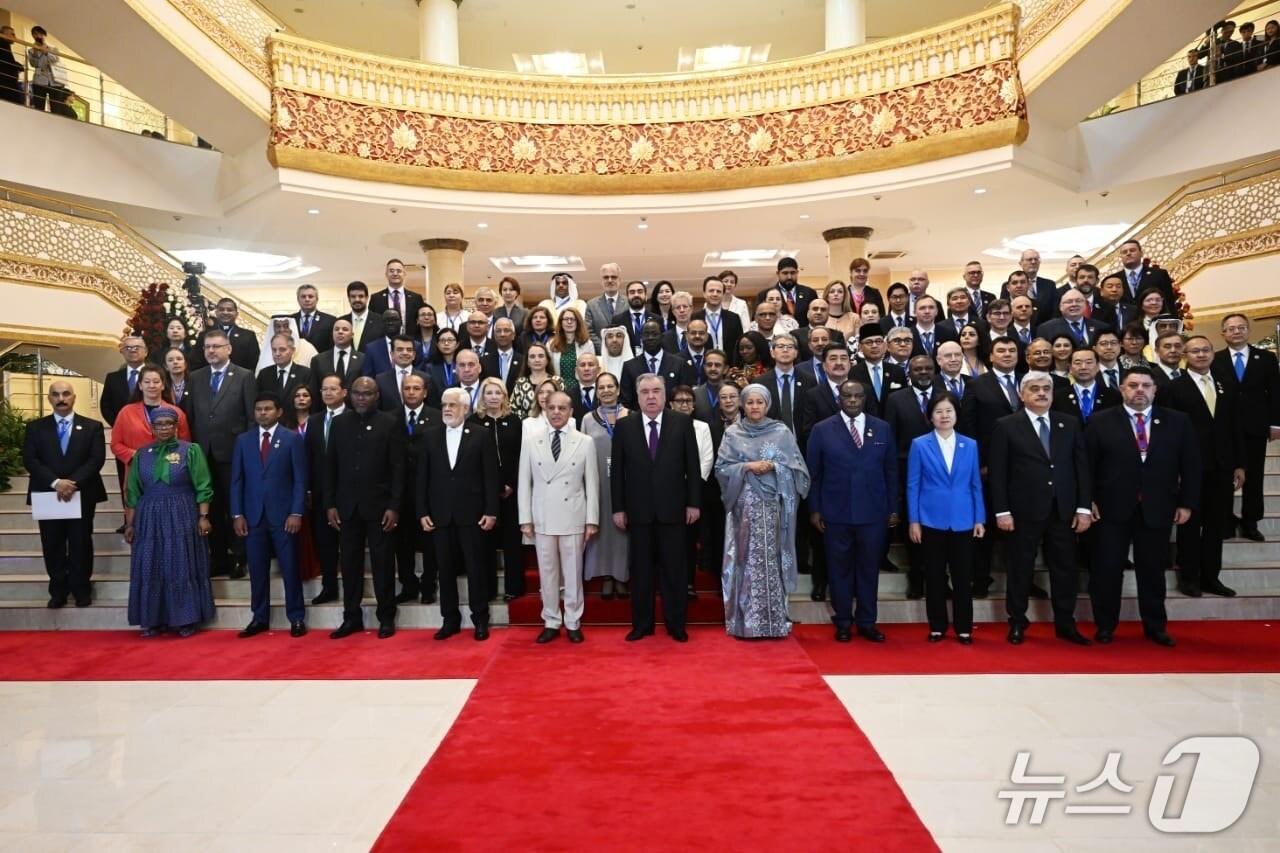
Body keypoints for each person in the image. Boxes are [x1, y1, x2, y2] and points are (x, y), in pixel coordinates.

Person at [1086, 366, 1199, 646]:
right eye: (1133, 385)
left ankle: (1155, 626)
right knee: (1107, 570)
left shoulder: (1178, 421)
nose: (1139, 390)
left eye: (1145, 385)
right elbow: (1086, 466)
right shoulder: (1100, 421)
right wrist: (1087, 501)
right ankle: (1105, 626)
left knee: (1153, 571)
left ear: (1155, 389)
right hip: (1112, 509)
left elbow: (1191, 466)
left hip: (1158, 507)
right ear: (1122, 389)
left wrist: (1186, 503)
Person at [988, 372, 1093, 646]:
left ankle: (1065, 624)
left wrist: (1083, 507)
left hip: (1063, 510)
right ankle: (1017, 622)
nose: (1042, 393)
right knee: (1021, 568)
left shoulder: (1068, 423)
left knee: (1065, 569)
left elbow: (1082, 467)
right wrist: (1001, 511)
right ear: (1022, 394)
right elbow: (998, 473)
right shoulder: (1007, 425)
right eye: (1034, 389)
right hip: (1023, 511)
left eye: (1046, 388)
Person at [611, 374, 703, 642]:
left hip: (673, 511)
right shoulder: (625, 426)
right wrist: (618, 508)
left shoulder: (682, 423)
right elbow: (617, 472)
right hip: (638, 513)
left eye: (656, 391)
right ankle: (642, 625)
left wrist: (693, 503)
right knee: (640, 572)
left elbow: (692, 468)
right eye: (645, 392)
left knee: (674, 571)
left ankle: (676, 625)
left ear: (665, 395)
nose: (651, 396)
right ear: (637, 396)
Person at [716, 384, 811, 639]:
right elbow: (722, 468)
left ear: (767, 404)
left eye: (759, 402)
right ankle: (746, 623)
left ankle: (775, 622)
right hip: (744, 510)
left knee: (773, 561)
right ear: (742, 405)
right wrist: (748, 465)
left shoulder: (780, 432)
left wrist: (776, 469)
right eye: (749, 402)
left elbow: (799, 470)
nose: (754, 407)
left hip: (775, 510)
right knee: (746, 562)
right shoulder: (733, 433)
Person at [808, 381, 897, 642]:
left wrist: (893, 508)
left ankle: (868, 622)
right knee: (839, 571)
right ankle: (844, 621)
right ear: (839, 398)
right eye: (847, 395)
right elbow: (814, 474)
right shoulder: (822, 430)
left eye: (858, 395)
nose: (853, 400)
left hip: (874, 514)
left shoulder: (882, 428)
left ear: (865, 398)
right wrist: (815, 510)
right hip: (835, 514)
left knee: (869, 569)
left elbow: (891, 472)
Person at [1161, 335, 1244, 599]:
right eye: (1194, 351)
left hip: (1221, 467)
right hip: (1188, 468)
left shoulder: (1226, 384)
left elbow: (1235, 427)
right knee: (1189, 524)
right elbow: (1167, 434)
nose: (1201, 355)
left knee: (1216, 525)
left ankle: (1211, 577)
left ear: (1212, 353)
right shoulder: (1175, 388)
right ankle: (1189, 577)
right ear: (1185, 355)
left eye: (1205, 350)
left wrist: (1239, 465)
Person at [123, 406, 215, 638]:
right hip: (149, 518)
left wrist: (203, 517)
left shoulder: (190, 451)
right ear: (152, 428)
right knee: (151, 566)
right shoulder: (141, 454)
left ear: (176, 426)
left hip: (181, 514)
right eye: (159, 424)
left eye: (168, 424)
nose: (163, 428)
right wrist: (130, 524)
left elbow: (203, 485)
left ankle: (185, 619)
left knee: (180, 564)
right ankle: (153, 619)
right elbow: (133, 492)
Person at [325, 377, 406, 639]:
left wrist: (394, 505)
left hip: (380, 507)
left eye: (367, 394)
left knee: (383, 564)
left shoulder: (390, 423)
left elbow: (398, 468)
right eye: (357, 393)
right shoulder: (338, 423)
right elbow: (330, 467)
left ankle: (386, 617)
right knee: (349, 564)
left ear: (376, 396)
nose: (361, 398)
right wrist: (330, 504)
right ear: (350, 395)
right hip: (347, 507)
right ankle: (352, 617)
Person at [419, 388, 500, 641]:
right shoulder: (429, 436)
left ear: (465, 408)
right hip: (440, 515)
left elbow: (491, 476)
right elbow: (421, 478)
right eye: (444, 404)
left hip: (472, 514)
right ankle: (450, 619)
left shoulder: (481, 435)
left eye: (453, 405)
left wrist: (491, 511)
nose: (447, 409)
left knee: (476, 568)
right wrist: (422, 511)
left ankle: (480, 619)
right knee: (444, 569)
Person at [517, 391, 599, 643]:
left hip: (573, 515)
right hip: (542, 517)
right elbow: (524, 482)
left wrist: (591, 519)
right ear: (544, 410)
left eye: (561, 408)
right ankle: (551, 620)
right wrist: (525, 518)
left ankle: (573, 621)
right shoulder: (532, 440)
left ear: (570, 412)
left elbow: (592, 484)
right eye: (551, 407)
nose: (556, 412)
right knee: (548, 572)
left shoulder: (584, 442)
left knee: (573, 573)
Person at [906, 392, 983, 644]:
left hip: (964, 518)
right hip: (931, 519)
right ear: (930, 416)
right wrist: (914, 520)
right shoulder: (919, 444)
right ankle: (937, 626)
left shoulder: (969, 444)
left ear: (956, 415)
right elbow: (913, 485)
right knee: (935, 575)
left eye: (949, 411)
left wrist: (979, 518)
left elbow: (975, 484)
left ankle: (964, 628)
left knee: (963, 576)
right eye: (938, 411)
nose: (944, 416)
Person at [22, 381, 108, 609]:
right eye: (56, 394)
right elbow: (30, 460)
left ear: (74, 397)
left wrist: (72, 483)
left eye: (66, 394)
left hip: (82, 494)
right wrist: (56, 482)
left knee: (81, 543)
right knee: (53, 544)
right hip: (47, 494)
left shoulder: (92, 426)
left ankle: (81, 589)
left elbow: (96, 460)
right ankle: (58, 590)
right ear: (49, 398)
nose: (61, 398)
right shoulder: (35, 428)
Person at [230, 392, 308, 638]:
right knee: (257, 569)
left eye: (267, 409)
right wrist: (237, 514)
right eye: (259, 409)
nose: (262, 413)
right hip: (253, 516)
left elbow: (299, 479)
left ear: (279, 412)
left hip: (284, 516)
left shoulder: (292, 439)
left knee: (289, 568)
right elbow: (237, 481)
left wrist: (296, 511)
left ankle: (296, 617)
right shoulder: (243, 440)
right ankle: (259, 617)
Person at [187, 329, 255, 579]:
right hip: (203, 455)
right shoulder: (195, 377)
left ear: (229, 349)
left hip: (234, 453)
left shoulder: (245, 376)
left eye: (216, 346)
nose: (211, 351)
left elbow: (251, 418)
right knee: (211, 508)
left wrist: (249, 453)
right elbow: (191, 416)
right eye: (207, 347)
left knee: (235, 506)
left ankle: (239, 557)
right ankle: (218, 558)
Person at [1212, 313, 1280, 543]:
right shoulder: (1214, 359)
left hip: (1255, 426)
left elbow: (1275, 393)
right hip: (1224, 427)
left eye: (1241, 327)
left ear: (1248, 330)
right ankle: (1226, 521)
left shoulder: (1266, 358)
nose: (1236, 331)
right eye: (1231, 328)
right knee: (1223, 476)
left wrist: (1275, 423)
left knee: (1254, 475)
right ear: (1223, 333)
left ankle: (1251, 521)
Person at [883, 355, 943, 599]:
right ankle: (917, 578)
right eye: (918, 369)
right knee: (914, 529)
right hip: (909, 474)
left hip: (941, 475)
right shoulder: (896, 399)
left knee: (939, 530)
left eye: (928, 368)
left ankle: (940, 580)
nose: (924, 372)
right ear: (909, 372)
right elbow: (891, 439)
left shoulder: (945, 396)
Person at [390, 373, 441, 604]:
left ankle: (429, 585)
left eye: (416, 388)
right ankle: (408, 584)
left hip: (430, 490)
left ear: (425, 392)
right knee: (402, 543)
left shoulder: (437, 417)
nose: (411, 392)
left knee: (429, 542)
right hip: (400, 492)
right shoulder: (391, 418)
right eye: (407, 388)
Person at [472, 377, 524, 601]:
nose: (493, 397)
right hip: (484, 493)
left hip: (512, 490)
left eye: (498, 392)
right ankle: (488, 589)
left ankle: (514, 588)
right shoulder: (474, 422)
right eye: (489, 393)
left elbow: (521, 455)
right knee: (485, 543)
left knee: (513, 542)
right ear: (482, 396)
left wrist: (511, 484)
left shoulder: (514, 421)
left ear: (505, 396)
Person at [582, 372, 630, 599]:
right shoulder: (588, 419)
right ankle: (606, 576)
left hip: (627, 481)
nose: (606, 391)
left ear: (618, 389)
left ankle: (622, 575)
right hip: (598, 480)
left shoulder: (631, 416)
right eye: (601, 387)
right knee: (602, 528)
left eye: (611, 386)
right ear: (597, 391)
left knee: (623, 530)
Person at [110, 365, 193, 490]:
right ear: (140, 385)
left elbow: (186, 445)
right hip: (137, 473)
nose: (152, 386)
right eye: (147, 382)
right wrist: (135, 455)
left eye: (156, 382)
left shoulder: (177, 412)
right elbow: (115, 445)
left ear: (163, 385)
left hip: (171, 473)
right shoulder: (126, 412)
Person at [670, 386, 716, 599]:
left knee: (689, 540)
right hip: (667, 492)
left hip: (693, 492)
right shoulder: (664, 426)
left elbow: (706, 460)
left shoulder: (702, 427)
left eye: (688, 400)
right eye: (679, 400)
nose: (684, 404)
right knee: (668, 540)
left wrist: (692, 487)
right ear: (671, 404)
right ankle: (669, 582)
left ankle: (688, 582)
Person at [306, 374, 346, 605]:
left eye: (333, 389)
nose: (328, 393)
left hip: (349, 492)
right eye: (324, 389)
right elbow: (309, 457)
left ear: (344, 392)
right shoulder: (315, 420)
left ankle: (352, 587)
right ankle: (329, 586)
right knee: (325, 543)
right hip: (321, 492)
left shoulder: (353, 417)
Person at [281, 383, 321, 583]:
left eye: (306, 395)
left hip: (315, 477)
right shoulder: (285, 424)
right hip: (290, 480)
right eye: (297, 395)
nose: (301, 398)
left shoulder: (318, 421)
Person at [619, 318, 695, 408]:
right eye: (646, 334)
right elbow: (626, 402)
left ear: (662, 336)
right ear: (641, 337)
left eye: (654, 334)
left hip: (672, 418)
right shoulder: (629, 366)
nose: (650, 338)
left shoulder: (679, 364)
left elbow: (684, 396)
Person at [309, 319, 365, 406]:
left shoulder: (363, 359)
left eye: (345, 329)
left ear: (352, 335)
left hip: (354, 410)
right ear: (332, 333)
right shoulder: (318, 360)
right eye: (337, 329)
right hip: (326, 411)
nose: (340, 332)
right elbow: (315, 391)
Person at [198, 298, 260, 370]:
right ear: (216, 313)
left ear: (236, 314)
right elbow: (197, 362)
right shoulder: (204, 335)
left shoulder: (248, 336)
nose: (225, 312)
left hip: (240, 379)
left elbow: (253, 363)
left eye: (229, 310)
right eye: (221, 309)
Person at [26, 26, 73, 118]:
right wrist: (36, 52)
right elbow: (34, 64)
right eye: (35, 34)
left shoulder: (53, 49)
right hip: (39, 81)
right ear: (33, 36)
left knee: (56, 109)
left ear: (44, 35)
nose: (38, 36)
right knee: (39, 107)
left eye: (40, 33)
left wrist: (46, 51)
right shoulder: (31, 50)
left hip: (55, 81)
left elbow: (55, 59)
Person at [375, 335, 430, 412]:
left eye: (409, 350)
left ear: (414, 355)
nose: (405, 353)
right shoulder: (381, 379)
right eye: (400, 349)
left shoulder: (425, 378)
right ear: (392, 354)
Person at [755, 257, 817, 323]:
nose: (789, 277)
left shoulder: (809, 293)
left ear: (797, 272)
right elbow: (757, 319)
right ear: (778, 273)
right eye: (785, 273)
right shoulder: (764, 294)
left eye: (792, 273)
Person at [548, 307, 594, 398]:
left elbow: (592, 369)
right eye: (566, 319)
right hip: (558, 390)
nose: (569, 322)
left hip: (581, 390)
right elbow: (548, 370)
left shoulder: (587, 344)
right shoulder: (551, 344)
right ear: (561, 322)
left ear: (578, 322)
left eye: (573, 319)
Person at [369, 259, 423, 334]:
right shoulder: (376, 298)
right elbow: (372, 323)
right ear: (386, 274)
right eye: (391, 271)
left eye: (399, 271)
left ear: (404, 274)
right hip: (384, 341)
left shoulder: (416, 298)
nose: (395, 273)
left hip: (410, 342)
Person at [256, 332, 313, 402]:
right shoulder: (264, 374)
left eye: (282, 349)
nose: (277, 354)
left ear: (292, 350)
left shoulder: (305, 374)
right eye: (274, 350)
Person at [694, 275, 743, 357]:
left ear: (723, 295)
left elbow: (739, 345)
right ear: (704, 294)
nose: (715, 294)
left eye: (718, 291)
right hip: (702, 365)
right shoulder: (695, 318)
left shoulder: (734, 318)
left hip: (729, 367)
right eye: (711, 291)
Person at [611, 280, 658, 356]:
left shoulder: (657, 319)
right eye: (632, 292)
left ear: (646, 296)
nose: (636, 295)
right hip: (626, 362)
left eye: (640, 292)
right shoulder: (617, 320)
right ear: (627, 297)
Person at [584, 264, 622, 352]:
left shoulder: (628, 303)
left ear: (619, 280)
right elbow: (588, 331)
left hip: (625, 354)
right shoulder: (591, 304)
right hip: (600, 354)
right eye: (606, 277)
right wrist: (604, 348)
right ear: (601, 281)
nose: (610, 280)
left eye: (614, 277)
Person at [481, 318, 523, 393]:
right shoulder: (484, 361)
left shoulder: (523, 361)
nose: (502, 334)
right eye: (498, 331)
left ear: (513, 335)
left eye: (506, 330)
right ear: (494, 335)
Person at [341, 281, 385, 352]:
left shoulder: (380, 321)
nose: (357, 299)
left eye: (361, 296)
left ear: (367, 298)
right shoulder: (341, 321)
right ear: (349, 299)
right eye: (353, 297)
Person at [292, 283, 336, 353]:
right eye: (303, 296)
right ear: (298, 299)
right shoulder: (290, 320)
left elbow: (333, 347)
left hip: (321, 362)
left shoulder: (330, 320)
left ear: (317, 299)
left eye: (310, 296)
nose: (307, 299)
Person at [425, 327, 461, 407]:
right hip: (437, 408)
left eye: (450, 340)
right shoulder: (430, 367)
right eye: (442, 340)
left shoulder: (463, 365)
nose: (446, 343)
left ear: (457, 344)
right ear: (437, 344)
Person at [493, 276, 528, 343]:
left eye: (511, 290)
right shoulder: (494, 312)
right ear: (501, 292)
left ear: (517, 292)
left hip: (519, 350)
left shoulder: (525, 313)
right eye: (505, 290)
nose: (508, 292)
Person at [0, 25, 22, 106]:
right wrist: (19, 67)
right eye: (12, 34)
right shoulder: (3, 44)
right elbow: (6, 62)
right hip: (6, 83)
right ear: (4, 34)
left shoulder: (4, 44)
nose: (14, 37)